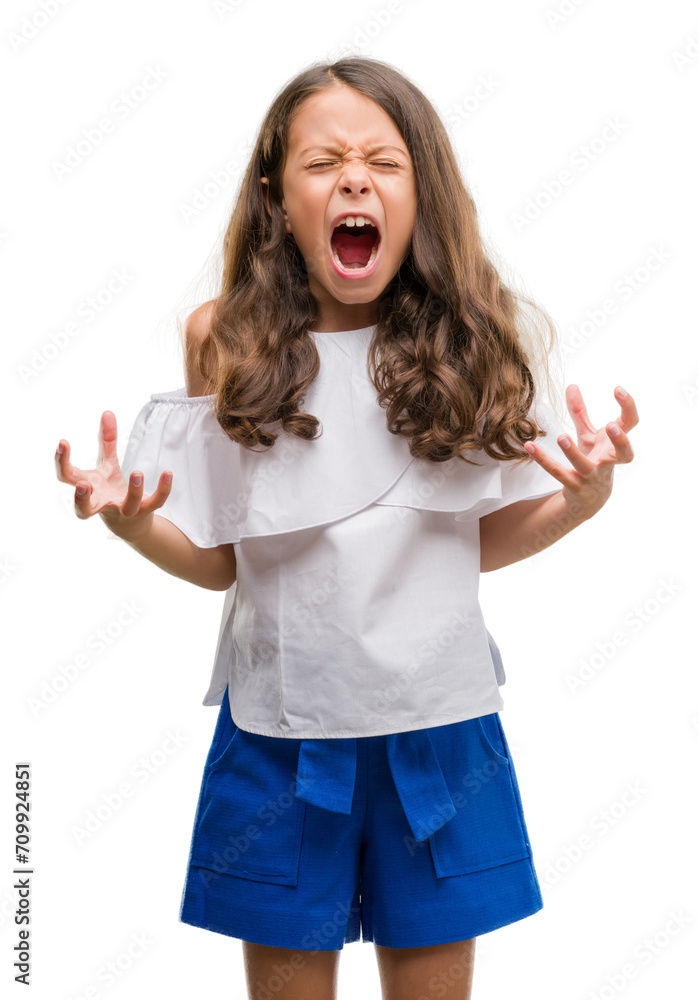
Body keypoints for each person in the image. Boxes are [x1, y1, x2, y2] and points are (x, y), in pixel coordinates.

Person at [54, 57, 637, 1000]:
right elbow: (216, 564)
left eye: (383, 161)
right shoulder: (225, 340)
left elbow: (473, 544)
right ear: (277, 199)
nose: (354, 179)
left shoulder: (465, 341)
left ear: (423, 196)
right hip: (280, 738)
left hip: (441, 735)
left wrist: (582, 498)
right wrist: (129, 525)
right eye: (322, 162)